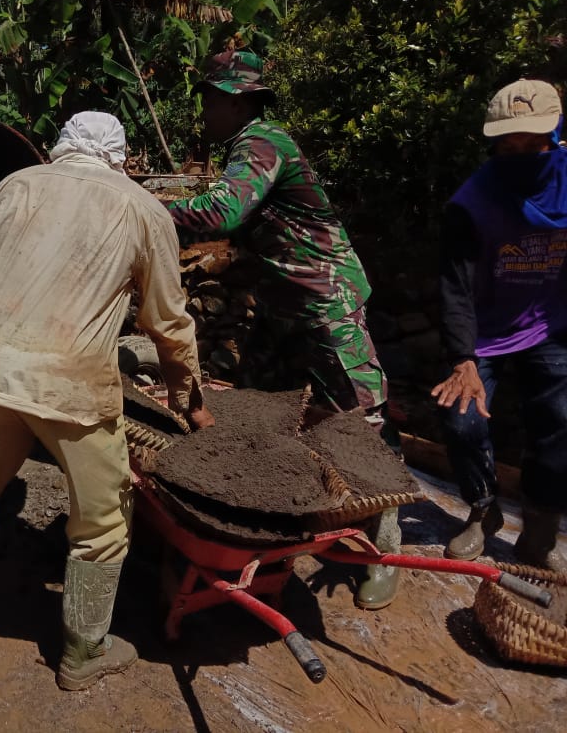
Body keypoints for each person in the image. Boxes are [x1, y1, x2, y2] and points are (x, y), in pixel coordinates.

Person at [0, 111, 215, 691]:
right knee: (103, 521)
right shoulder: (142, 208)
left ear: (61, 144)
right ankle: (84, 653)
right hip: (72, 383)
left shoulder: (12, 187)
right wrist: (187, 396)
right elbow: (167, 320)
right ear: (120, 156)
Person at [167, 49, 401, 610]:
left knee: (360, 416)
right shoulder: (244, 145)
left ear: (233, 99)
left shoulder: (263, 141)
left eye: (208, 100)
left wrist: (141, 208)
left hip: (325, 298)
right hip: (282, 303)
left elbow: (222, 213)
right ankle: (274, 516)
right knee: (265, 407)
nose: (204, 111)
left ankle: (382, 545)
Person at [432, 79, 567, 571]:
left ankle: (539, 533)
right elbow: (456, 288)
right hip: (486, 333)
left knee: (559, 426)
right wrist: (463, 359)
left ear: (556, 136)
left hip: (550, 325)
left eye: (534, 145)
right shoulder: (472, 204)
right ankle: (482, 511)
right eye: (509, 146)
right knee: (462, 421)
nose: (522, 155)